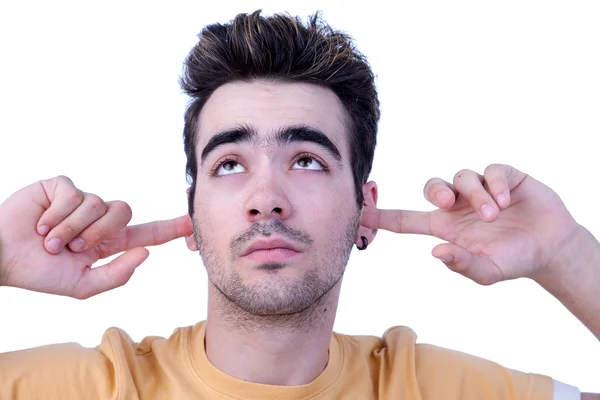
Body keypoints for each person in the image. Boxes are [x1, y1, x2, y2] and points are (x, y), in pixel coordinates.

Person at [0, 10, 598, 399]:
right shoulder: (81, 387)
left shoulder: (434, 388)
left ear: (365, 210)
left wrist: (566, 254)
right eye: (229, 164)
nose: (266, 201)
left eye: (307, 160)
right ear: (192, 220)